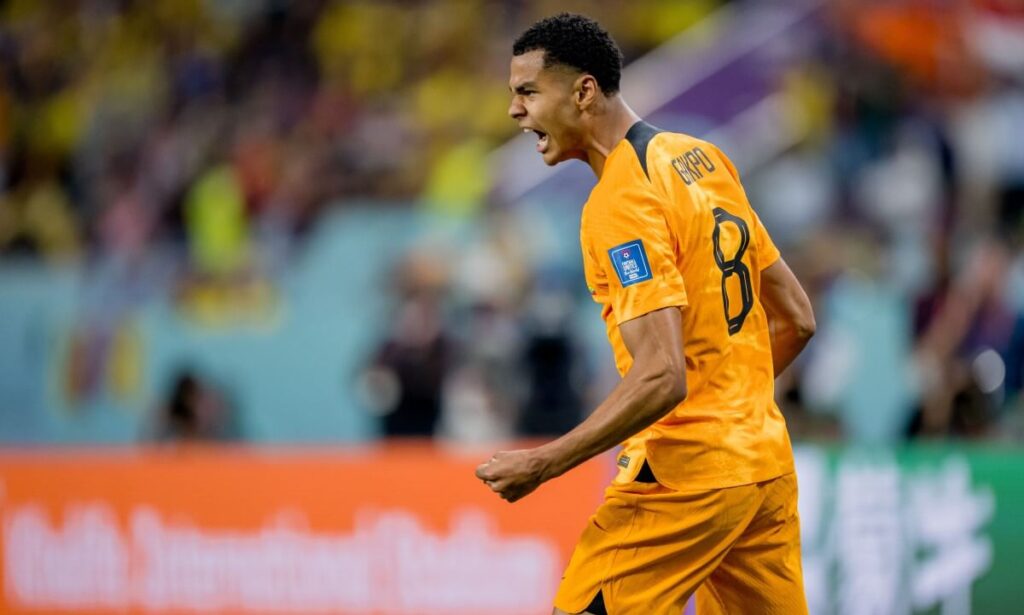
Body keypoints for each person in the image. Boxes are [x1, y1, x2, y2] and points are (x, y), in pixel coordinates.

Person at [475, 14, 816, 615]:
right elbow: (796, 318)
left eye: (528, 91)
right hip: (763, 467)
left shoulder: (620, 200)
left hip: (686, 476)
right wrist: (733, 406)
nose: (514, 110)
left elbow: (662, 375)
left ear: (583, 91)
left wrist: (544, 462)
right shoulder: (702, 158)